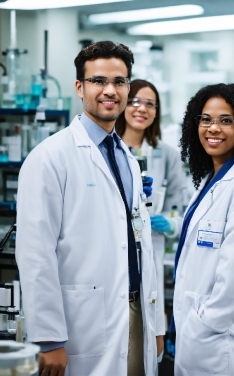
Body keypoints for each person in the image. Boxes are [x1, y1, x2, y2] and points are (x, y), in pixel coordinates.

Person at [15, 41, 163, 376]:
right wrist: (49, 339)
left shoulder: (126, 156)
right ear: (80, 87)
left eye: (120, 82)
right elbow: (36, 253)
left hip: (137, 311)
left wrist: (156, 324)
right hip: (83, 321)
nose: (110, 90)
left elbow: (141, 244)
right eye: (99, 81)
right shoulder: (50, 157)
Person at [172, 83, 234, 375]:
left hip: (223, 340)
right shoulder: (210, 179)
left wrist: (204, 325)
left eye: (226, 121)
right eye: (206, 119)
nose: (213, 128)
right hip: (202, 336)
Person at [115, 79, 186, 357]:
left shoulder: (167, 156)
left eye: (150, 104)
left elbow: (182, 209)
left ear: (157, 112)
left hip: (151, 254)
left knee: (149, 349)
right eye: (134, 101)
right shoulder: (107, 149)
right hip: (113, 254)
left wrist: (169, 224)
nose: (141, 108)